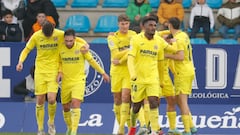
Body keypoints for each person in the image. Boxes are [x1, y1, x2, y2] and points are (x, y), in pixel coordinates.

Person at [127, 16, 176, 135]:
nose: (153, 28)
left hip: (152, 78)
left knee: (154, 102)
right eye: (150, 25)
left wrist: (161, 80)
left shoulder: (159, 41)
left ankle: (154, 130)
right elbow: (130, 58)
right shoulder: (136, 39)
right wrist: (133, 73)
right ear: (143, 27)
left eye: (155, 25)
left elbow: (161, 61)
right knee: (136, 107)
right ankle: (133, 126)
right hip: (138, 78)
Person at [57, 29, 110, 135]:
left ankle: (74, 132)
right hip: (66, 82)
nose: (68, 43)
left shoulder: (81, 48)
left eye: (71, 41)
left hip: (78, 80)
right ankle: (69, 127)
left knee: (76, 103)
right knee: (66, 107)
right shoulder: (60, 48)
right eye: (66, 41)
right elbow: (58, 62)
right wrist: (60, 71)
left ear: (75, 39)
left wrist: (103, 73)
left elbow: (91, 61)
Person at [16, 21, 64, 135]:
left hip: (53, 71)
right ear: (41, 29)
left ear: (53, 29)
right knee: (40, 100)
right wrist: (20, 62)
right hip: (40, 72)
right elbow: (26, 49)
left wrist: (85, 45)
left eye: (50, 35)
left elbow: (74, 38)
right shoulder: (36, 36)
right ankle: (40, 128)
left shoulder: (59, 34)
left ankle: (51, 122)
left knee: (52, 99)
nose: (48, 37)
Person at [165, 17, 196, 135]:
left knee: (182, 102)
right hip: (188, 69)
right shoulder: (184, 35)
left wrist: (167, 55)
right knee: (179, 100)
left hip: (182, 71)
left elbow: (180, 57)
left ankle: (187, 130)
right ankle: (192, 126)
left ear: (169, 25)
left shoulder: (178, 39)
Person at [107, 14, 137, 135]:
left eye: (126, 24)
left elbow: (124, 54)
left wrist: (122, 55)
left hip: (129, 70)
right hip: (116, 71)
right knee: (117, 98)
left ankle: (122, 129)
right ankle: (121, 125)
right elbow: (115, 55)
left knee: (126, 97)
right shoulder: (112, 37)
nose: (124, 26)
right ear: (118, 24)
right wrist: (129, 49)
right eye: (122, 24)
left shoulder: (134, 35)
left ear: (129, 24)